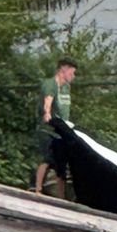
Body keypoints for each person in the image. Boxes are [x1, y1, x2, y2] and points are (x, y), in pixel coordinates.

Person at [34, 57, 77, 197]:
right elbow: (48, 100)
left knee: (61, 163)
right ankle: (37, 189)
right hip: (48, 128)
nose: (73, 76)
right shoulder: (50, 84)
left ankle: (61, 195)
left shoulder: (66, 87)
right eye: (71, 73)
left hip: (62, 129)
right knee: (47, 158)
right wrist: (47, 113)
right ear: (63, 69)